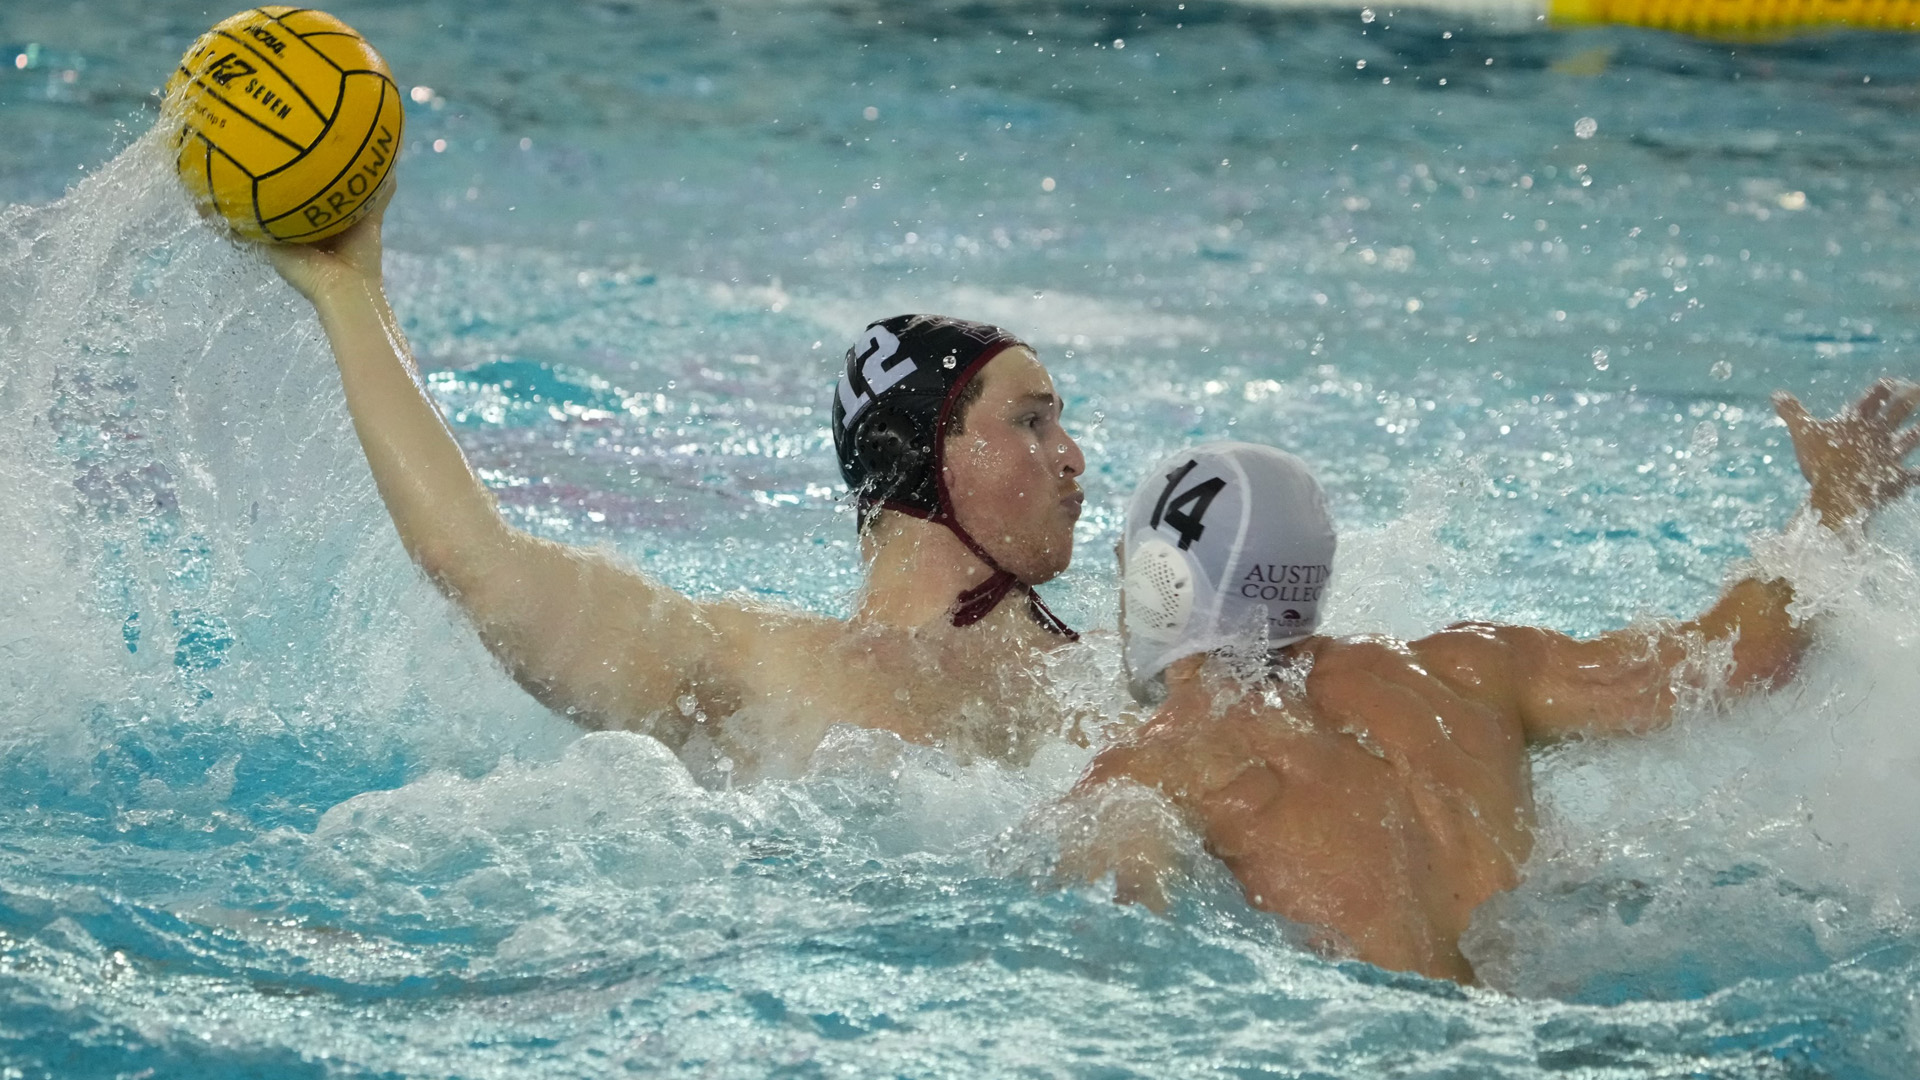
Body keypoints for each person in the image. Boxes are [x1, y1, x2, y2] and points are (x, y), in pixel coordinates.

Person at [1062, 380, 1920, 983]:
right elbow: (1738, 657)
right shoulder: (1473, 670)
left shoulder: (1153, 766)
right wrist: (1833, 507)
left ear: (1157, 578)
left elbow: (1116, 933)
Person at [264, 187, 1088, 778]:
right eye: (1031, 421)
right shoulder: (754, 673)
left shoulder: (1114, 674)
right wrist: (350, 294)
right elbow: (472, 558)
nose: (1072, 455)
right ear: (917, 455)